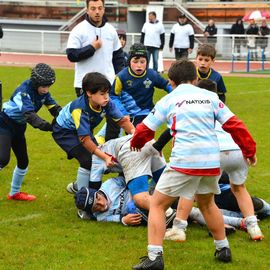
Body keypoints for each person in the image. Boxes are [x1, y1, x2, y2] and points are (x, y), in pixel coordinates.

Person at [130, 60, 257, 269]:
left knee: (157, 204)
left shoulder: (169, 99)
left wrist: (136, 143)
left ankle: (154, 258)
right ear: (196, 79)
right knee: (207, 203)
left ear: (171, 82)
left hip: (184, 160)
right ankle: (222, 248)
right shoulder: (210, 97)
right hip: (210, 161)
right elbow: (235, 125)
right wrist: (249, 150)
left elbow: (145, 129)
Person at [164, 79, 263, 243]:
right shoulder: (220, 107)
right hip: (237, 150)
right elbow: (237, 126)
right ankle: (253, 227)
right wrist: (250, 151)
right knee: (239, 188)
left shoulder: (192, 110)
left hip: (215, 151)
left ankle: (178, 229)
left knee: (192, 189)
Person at [52, 72, 134, 192]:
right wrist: (105, 157)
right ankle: (83, 201)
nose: (106, 97)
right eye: (102, 94)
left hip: (82, 130)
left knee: (96, 160)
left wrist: (137, 135)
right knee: (88, 161)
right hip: (65, 133)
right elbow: (85, 140)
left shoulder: (106, 102)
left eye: (107, 93)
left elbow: (122, 121)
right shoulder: (79, 109)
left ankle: (79, 187)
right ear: (89, 93)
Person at [0, 63, 61, 201]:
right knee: (2, 159)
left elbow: (54, 108)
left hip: (18, 128)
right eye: (44, 86)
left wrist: (64, 118)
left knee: (23, 162)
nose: (46, 90)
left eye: (48, 87)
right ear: (35, 82)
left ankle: (14, 193)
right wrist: (49, 127)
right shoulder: (24, 92)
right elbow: (30, 116)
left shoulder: (44, 92)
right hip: (4, 124)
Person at [67, 134, 167, 212]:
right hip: (144, 141)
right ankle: (179, 212)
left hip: (130, 152)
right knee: (167, 185)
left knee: (140, 199)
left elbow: (95, 187)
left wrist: (89, 210)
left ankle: (168, 213)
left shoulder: (95, 162)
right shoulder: (105, 146)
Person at [95, 43, 172, 143]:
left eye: (142, 62)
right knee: (127, 140)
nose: (139, 65)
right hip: (127, 115)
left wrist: (177, 94)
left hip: (145, 113)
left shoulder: (152, 75)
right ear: (129, 61)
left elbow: (166, 85)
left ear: (147, 62)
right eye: (135, 61)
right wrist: (123, 112)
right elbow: (113, 96)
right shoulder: (121, 76)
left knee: (142, 140)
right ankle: (106, 142)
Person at [66, 0, 125, 97]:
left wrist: (119, 79)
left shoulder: (111, 30)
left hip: (109, 84)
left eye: (100, 8)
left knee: (109, 112)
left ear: (104, 10)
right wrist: (92, 48)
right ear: (87, 10)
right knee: (87, 112)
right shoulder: (78, 30)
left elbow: (118, 58)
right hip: (84, 85)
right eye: (93, 8)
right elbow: (72, 55)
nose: (97, 12)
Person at [74, 175, 176, 228]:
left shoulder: (110, 184)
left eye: (98, 198)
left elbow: (130, 179)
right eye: (96, 207)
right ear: (92, 211)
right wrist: (124, 220)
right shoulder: (101, 217)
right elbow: (118, 218)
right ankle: (176, 217)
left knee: (168, 188)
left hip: (143, 193)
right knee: (139, 217)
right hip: (139, 210)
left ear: (98, 192)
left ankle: (179, 211)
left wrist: (134, 196)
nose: (102, 204)